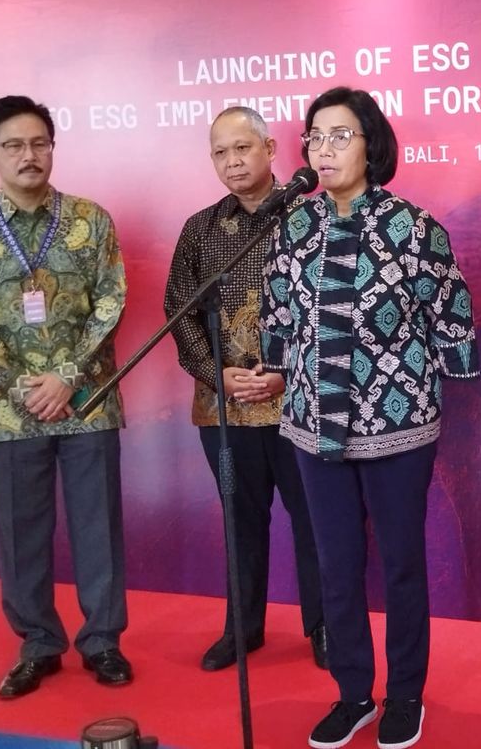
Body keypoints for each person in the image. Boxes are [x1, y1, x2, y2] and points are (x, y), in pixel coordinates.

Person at [260, 87, 479, 749]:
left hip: (398, 425)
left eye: (340, 136)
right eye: (315, 138)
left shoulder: (415, 227)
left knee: (404, 563)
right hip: (310, 423)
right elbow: (278, 315)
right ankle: (353, 692)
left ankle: (405, 694)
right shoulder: (291, 227)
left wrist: (439, 365)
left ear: (371, 145)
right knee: (335, 563)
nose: (324, 151)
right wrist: (270, 366)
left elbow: (452, 313)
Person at [0, 95, 132, 698]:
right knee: (21, 532)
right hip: (9, 409)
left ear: (53, 147)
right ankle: (38, 643)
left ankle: (102, 642)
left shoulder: (90, 220)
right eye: (15, 145)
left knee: (98, 526)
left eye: (39, 143)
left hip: (87, 401)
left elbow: (112, 297)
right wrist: (26, 383)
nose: (29, 155)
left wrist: (68, 377)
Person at [164, 106, 328, 673]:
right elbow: (178, 311)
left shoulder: (315, 220)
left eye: (242, 148)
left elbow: (335, 313)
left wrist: (287, 371)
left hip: (301, 405)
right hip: (225, 408)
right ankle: (242, 628)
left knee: (314, 519)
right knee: (240, 519)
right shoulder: (201, 229)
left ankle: (325, 627)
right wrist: (218, 374)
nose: (232, 162)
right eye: (220, 153)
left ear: (270, 150)